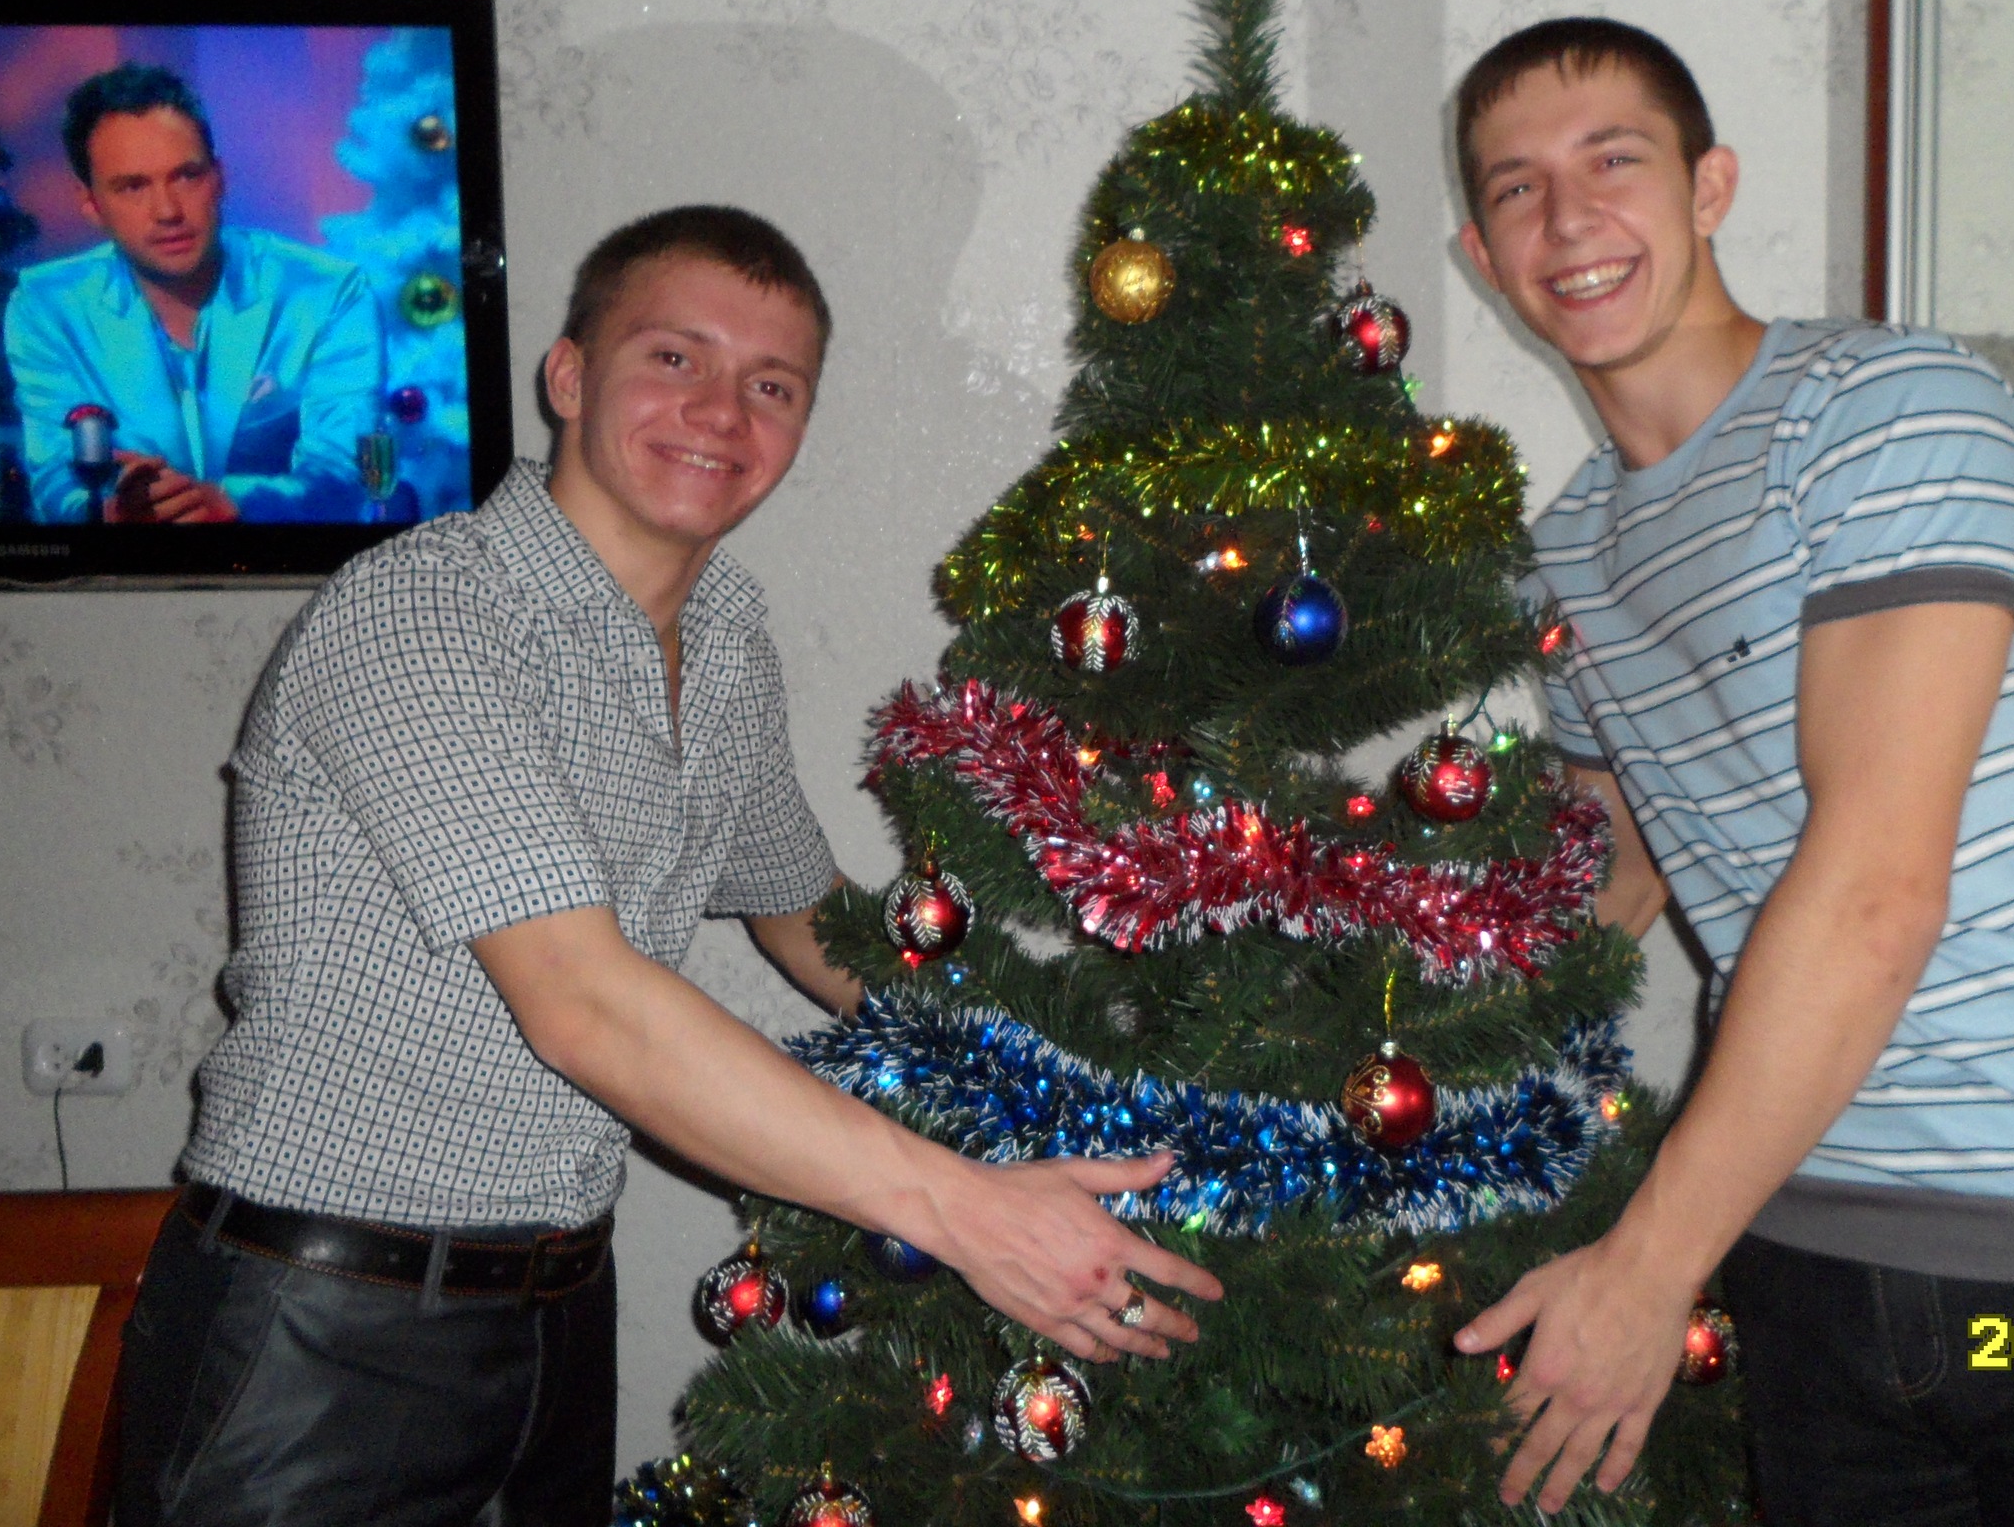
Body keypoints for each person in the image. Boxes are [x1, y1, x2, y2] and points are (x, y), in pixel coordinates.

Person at [114, 206, 1220, 1527]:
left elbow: (807, 916)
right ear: (568, 375)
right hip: (319, 1332)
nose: (720, 413)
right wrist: (967, 1212)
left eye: (772, 385)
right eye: (674, 358)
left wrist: (1046, 1075)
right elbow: (585, 1005)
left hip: (555, 1314)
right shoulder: (425, 609)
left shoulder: (725, 638)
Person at [1442, 20, 2014, 1522]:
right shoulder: (1573, 548)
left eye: (1614, 161)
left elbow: (1875, 890)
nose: (1570, 218)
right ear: (1484, 255)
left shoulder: (1888, 412)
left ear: (1709, 187)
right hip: (1814, 1259)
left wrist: (1646, 1270)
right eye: (1518, 189)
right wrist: (1397, 1052)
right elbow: (1622, 863)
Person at [4, 62, 385, 523]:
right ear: (91, 203)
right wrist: (112, 515)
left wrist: (231, 503)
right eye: (132, 186)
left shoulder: (328, 293)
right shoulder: (47, 305)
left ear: (218, 178)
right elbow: (55, 482)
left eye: (186, 176)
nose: (167, 211)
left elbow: (347, 476)